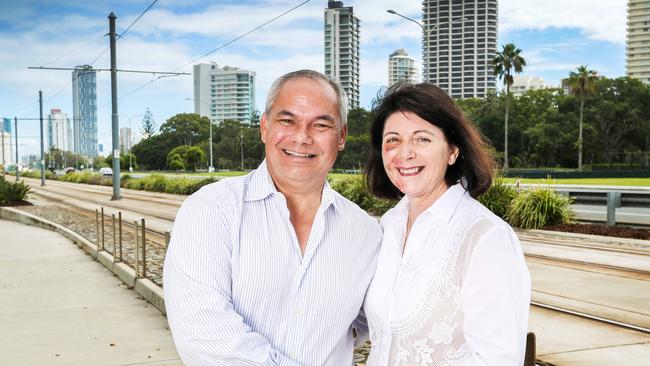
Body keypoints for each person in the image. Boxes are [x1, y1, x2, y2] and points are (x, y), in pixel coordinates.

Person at [163, 70, 382, 366]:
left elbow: (369, 321)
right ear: (265, 127)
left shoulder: (365, 231)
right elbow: (202, 333)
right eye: (287, 120)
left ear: (341, 136)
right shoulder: (211, 209)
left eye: (320, 124)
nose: (302, 137)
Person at [363, 83, 530, 365]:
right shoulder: (387, 226)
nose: (404, 154)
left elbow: (497, 360)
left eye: (422, 139)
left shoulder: (485, 237)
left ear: (452, 151)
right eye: (393, 140)